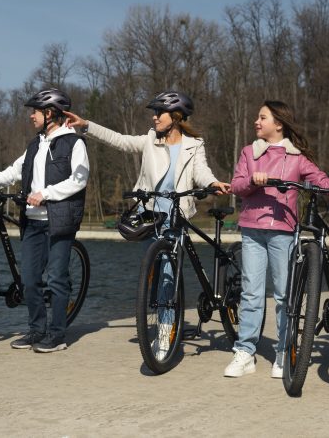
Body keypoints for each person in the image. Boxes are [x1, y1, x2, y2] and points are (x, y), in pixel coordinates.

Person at [64, 91, 230, 359]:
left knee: (168, 276)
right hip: (151, 215)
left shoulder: (194, 144)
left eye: (159, 113)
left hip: (177, 215)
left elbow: (201, 172)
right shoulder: (151, 140)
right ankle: (158, 316)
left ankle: (165, 334)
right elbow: (120, 141)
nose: (154, 118)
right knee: (156, 272)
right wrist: (86, 126)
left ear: (175, 118)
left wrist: (212, 184)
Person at [226, 100, 329, 378]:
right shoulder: (249, 152)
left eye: (262, 118)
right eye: (258, 118)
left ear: (278, 124)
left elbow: (323, 181)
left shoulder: (296, 158)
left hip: (283, 230)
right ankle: (245, 352)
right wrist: (253, 182)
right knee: (251, 292)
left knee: (285, 295)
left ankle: (285, 349)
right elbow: (236, 186)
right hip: (252, 229)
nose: (256, 122)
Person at [0, 88, 89, 353]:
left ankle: (57, 335)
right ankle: (36, 330)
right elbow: (13, 172)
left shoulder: (73, 143)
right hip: (32, 221)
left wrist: (46, 194)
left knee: (56, 278)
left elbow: (79, 179)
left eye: (35, 111)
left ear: (50, 113)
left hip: (59, 221)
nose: (31, 116)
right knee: (30, 280)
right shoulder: (35, 144)